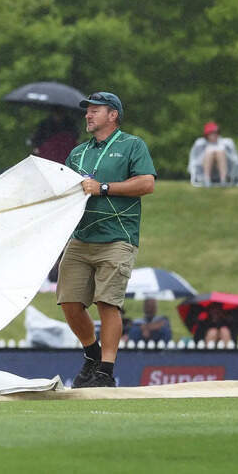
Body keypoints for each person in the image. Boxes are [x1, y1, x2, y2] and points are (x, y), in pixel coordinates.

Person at [57, 92, 156, 387]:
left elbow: (147, 183)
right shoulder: (77, 153)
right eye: (87, 111)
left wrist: (101, 187)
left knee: (107, 303)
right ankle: (92, 354)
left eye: (95, 111)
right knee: (69, 302)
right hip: (80, 236)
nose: (88, 115)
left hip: (117, 236)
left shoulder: (132, 145)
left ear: (113, 115)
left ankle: (105, 371)